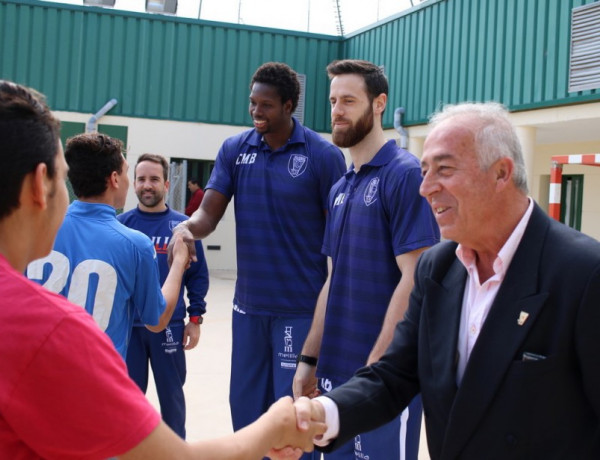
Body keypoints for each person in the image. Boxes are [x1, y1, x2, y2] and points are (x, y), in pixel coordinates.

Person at [0, 79, 326, 460]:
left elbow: (196, 279)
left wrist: (195, 312)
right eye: (61, 176)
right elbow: (171, 456)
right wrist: (274, 427)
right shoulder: (63, 325)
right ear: (41, 186)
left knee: (171, 400)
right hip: (143, 337)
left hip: (201, 327)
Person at [290, 101, 600, 459]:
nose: (425, 188)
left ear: (501, 173)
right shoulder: (436, 268)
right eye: (424, 171)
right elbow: (394, 375)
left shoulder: (584, 274)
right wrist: (318, 415)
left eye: (444, 169)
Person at [170, 62, 347, 448]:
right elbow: (208, 215)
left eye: (265, 105)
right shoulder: (235, 149)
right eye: (252, 103)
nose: (255, 112)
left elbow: (340, 232)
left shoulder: (322, 156)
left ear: (288, 106)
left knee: (292, 412)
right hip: (248, 308)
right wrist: (186, 228)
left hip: (299, 308)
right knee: (246, 410)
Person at [292, 59, 439, 460]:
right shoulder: (340, 187)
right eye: (333, 100)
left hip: (385, 380)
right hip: (335, 378)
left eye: (349, 100)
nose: (336, 110)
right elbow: (333, 280)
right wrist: (309, 357)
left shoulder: (405, 174)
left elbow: (416, 278)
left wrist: (377, 368)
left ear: (379, 104)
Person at [27, 132, 187, 359]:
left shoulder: (35, 228)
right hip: (95, 379)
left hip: (37, 369)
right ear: (114, 179)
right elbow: (157, 320)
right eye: (125, 172)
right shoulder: (135, 244)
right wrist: (179, 261)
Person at [118, 153, 209, 439]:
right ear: (133, 184)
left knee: (172, 399)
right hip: (129, 328)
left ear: (167, 184)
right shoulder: (121, 224)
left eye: (154, 179)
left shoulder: (183, 228)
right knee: (128, 401)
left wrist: (195, 318)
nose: (148, 185)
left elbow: (198, 275)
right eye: (142, 179)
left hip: (169, 326)